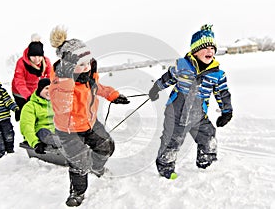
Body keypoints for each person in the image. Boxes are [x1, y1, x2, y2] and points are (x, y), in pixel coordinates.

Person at [49, 26, 130, 207]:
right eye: (81, 64)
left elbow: (98, 88)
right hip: (68, 131)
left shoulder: (89, 77)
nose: (86, 67)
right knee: (79, 163)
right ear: (69, 66)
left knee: (107, 146)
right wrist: (66, 79)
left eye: (88, 62)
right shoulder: (58, 84)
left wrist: (113, 95)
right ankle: (77, 192)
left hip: (90, 123)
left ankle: (97, 167)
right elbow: (62, 106)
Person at [149, 24, 233, 179]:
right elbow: (168, 78)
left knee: (208, 135)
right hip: (176, 113)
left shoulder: (217, 74)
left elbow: (222, 93)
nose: (210, 51)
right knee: (173, 140)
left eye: (212, 48)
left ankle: (206, 163)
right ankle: (165, 166)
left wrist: (226, 111)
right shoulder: (182, 66)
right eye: (205, 48)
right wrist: (156, 88)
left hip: (199, 114)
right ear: (195, 50)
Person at [11, 33, 52, 121]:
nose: (37, 59)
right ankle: (19, 112)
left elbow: (49, 77)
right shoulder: (21, 63)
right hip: (20, 93)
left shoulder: (46, 62)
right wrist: (29, 97)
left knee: (37, 111)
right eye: (33, 56)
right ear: (29, 55)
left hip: (35, 89)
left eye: (39, 56)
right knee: (25, 110)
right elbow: (19, 82)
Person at [20, 78, 59, 154]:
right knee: (44, 131)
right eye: (46, 88)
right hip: (41, 133)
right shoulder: (30, 106)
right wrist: (35, 143)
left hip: (56, 131)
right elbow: (27, 126)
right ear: (40, 90)